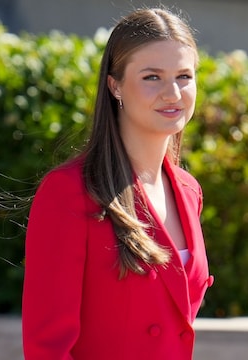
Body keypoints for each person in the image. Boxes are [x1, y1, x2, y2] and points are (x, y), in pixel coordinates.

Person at [22, 6, 213, 360]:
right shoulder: (69, 192)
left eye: (184, 76)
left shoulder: (189, 191)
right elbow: (47, 348)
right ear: (115, 85)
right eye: (152, 77)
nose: (173, 93)